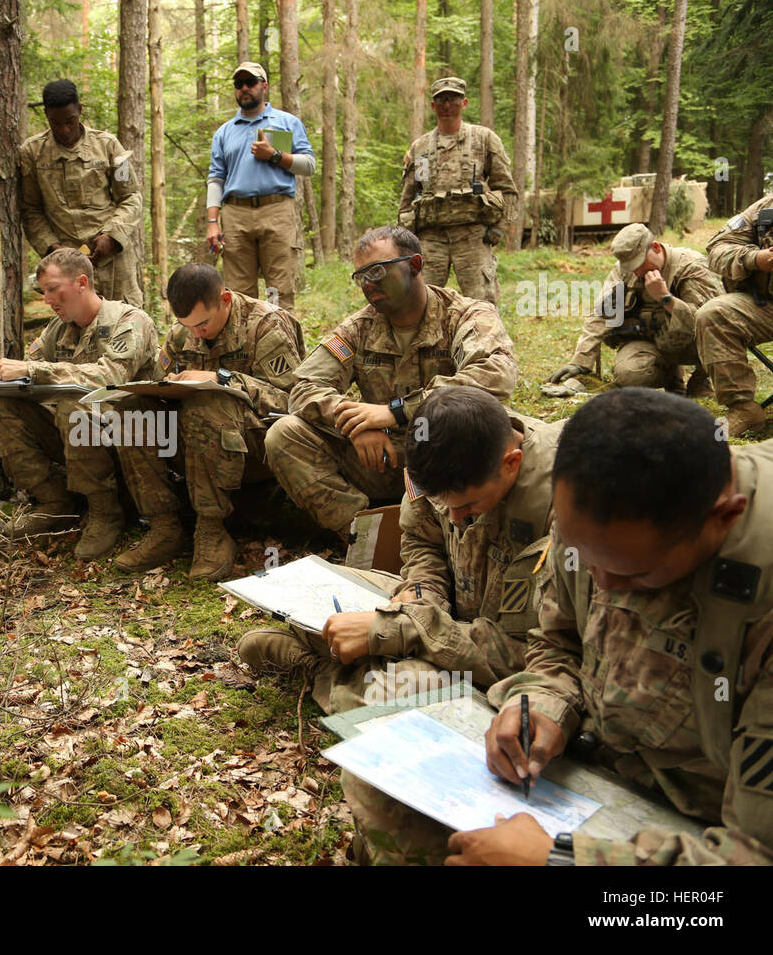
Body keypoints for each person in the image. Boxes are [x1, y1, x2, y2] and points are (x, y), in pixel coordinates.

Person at [447, 388, 773, 866]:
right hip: (606, 773)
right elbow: (557, 641)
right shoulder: (596, 510)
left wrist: (558, 861)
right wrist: (545, 703)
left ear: (722, 519)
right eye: (584, 557)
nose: (602, 585)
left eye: (632, 577)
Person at [248, 387, 562, 864]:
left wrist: (402, 627)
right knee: (324, 589)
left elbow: (524, 655)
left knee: (400, 691)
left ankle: (324, 673)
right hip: (443, 620)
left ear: (512, 463)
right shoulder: (436, 460)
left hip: (494, 662)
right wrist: (419, 595)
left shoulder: (564, 508)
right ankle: (335, 651)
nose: (456, 519)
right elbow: (421, 542)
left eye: (468, 508)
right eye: (446, 506)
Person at [265, 225, 518, 546]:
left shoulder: (466, 316)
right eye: (360, 277)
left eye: (378, 271)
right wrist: (354, 423)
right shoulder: (359, 328)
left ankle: (450, 536)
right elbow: (303, 385)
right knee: (284, 434)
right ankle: (369, 538)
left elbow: (494, 376)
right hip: (383, 458)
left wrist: (396, 412)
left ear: (414, 265)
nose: (368, 284)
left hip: (450, 454)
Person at [113, 263, 303, 582]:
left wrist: (222, 378)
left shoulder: (265, 324)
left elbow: (293, 400)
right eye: (187, 325)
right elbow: (161, 383)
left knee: (207, 403)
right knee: (133, 409)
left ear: (225, 299)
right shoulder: (182, 333)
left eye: (203, 323)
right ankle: (164, 527)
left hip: (260, 444)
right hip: (199, 441)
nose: (196, 334)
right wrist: (167, 389)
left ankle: (211, 532)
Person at [0, 249, 158, 562]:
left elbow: (110, 376)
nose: (47, 300)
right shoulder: (57, 329)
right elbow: (28, 372)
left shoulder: (129, 321)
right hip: (77, 438)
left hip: (135, 442)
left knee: (75, 404)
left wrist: (32, 370)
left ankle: (105, 511)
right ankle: (55, 502)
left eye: (53, 289)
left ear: (81, 282)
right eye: (44, 291)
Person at [547, 223, 721, 396]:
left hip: (693, 344)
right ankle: (671, 378)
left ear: (656, 247)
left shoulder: (691, 266)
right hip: (653, 342)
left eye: (639, 264)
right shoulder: (623, 271)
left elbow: (708, 320)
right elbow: (602, 314)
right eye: (631, 267)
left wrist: (664, 297)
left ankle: (700, 380)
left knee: (718, 337)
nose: (636, 272)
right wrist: (580, 361)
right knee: (629, 374)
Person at [19, 79, 143, 306]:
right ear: (46, 115)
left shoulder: (109, 145)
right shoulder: (33, 153)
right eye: (55, 123)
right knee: (75, 332)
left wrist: (112, 235)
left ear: (80, 111)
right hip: (67, 268)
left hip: (113, 262)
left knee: (126, 326)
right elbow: (31, 210)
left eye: (70, 121)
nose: (64, 130)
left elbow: (132, 197)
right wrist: (54, 249)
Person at [397, 77, 518, 306]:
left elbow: (508, 190)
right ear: (433, 106)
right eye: (441, 100)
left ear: (464, 103)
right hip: (431, 239)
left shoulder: (484, 140)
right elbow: (408, 198)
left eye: (452, 99)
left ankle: (485, 343)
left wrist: (498, 230)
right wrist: (406, 244)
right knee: (421, 304)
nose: (446, 105)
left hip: (472, 237)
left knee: (482, 306)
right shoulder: (420, 147)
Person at [205, 61, 315, 313]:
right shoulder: (224, 132)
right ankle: (245, 348)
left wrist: (276, 155)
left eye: (250, 82)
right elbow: (216, 178)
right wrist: (213, 221)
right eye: (238, 84)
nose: (244, 88)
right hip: (235, 214)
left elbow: (308, 165)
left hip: (276, 209)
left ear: (264, 86)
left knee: (279, 287)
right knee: (238, 292)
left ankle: (282, 344)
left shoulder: (287, 122)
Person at [694, 192, 773, 437]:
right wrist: (755, 258)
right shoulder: (766, 208)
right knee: (714, 314)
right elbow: (717, 249)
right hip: (767, 307)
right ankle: (744, 409)